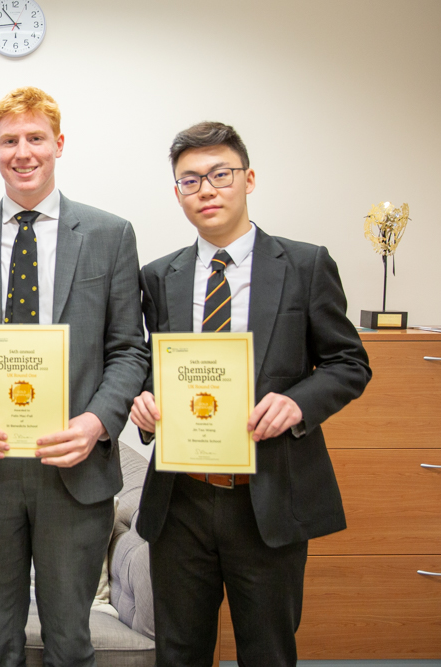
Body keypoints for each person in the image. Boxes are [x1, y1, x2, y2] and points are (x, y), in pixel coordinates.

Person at [130, 121, 372, 666]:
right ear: (177, 194)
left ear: (248, 179)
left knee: (268, 652)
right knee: (179, 652)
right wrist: (143, 404)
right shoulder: (158, 276)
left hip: (269, 495)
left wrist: (298, 403)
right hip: (181, 498)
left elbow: (347, 362)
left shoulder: (305, 265)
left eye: (220, 174)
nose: (207, 190)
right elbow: (147, 366)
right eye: (190, 181)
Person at [0, 87, 150, 666]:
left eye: (35, 139)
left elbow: (128, 350)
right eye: (9, 141)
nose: (22, 152)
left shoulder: (109, 234)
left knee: (70, 643)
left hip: (73, 471)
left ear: (58, 144)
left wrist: (98, 422)